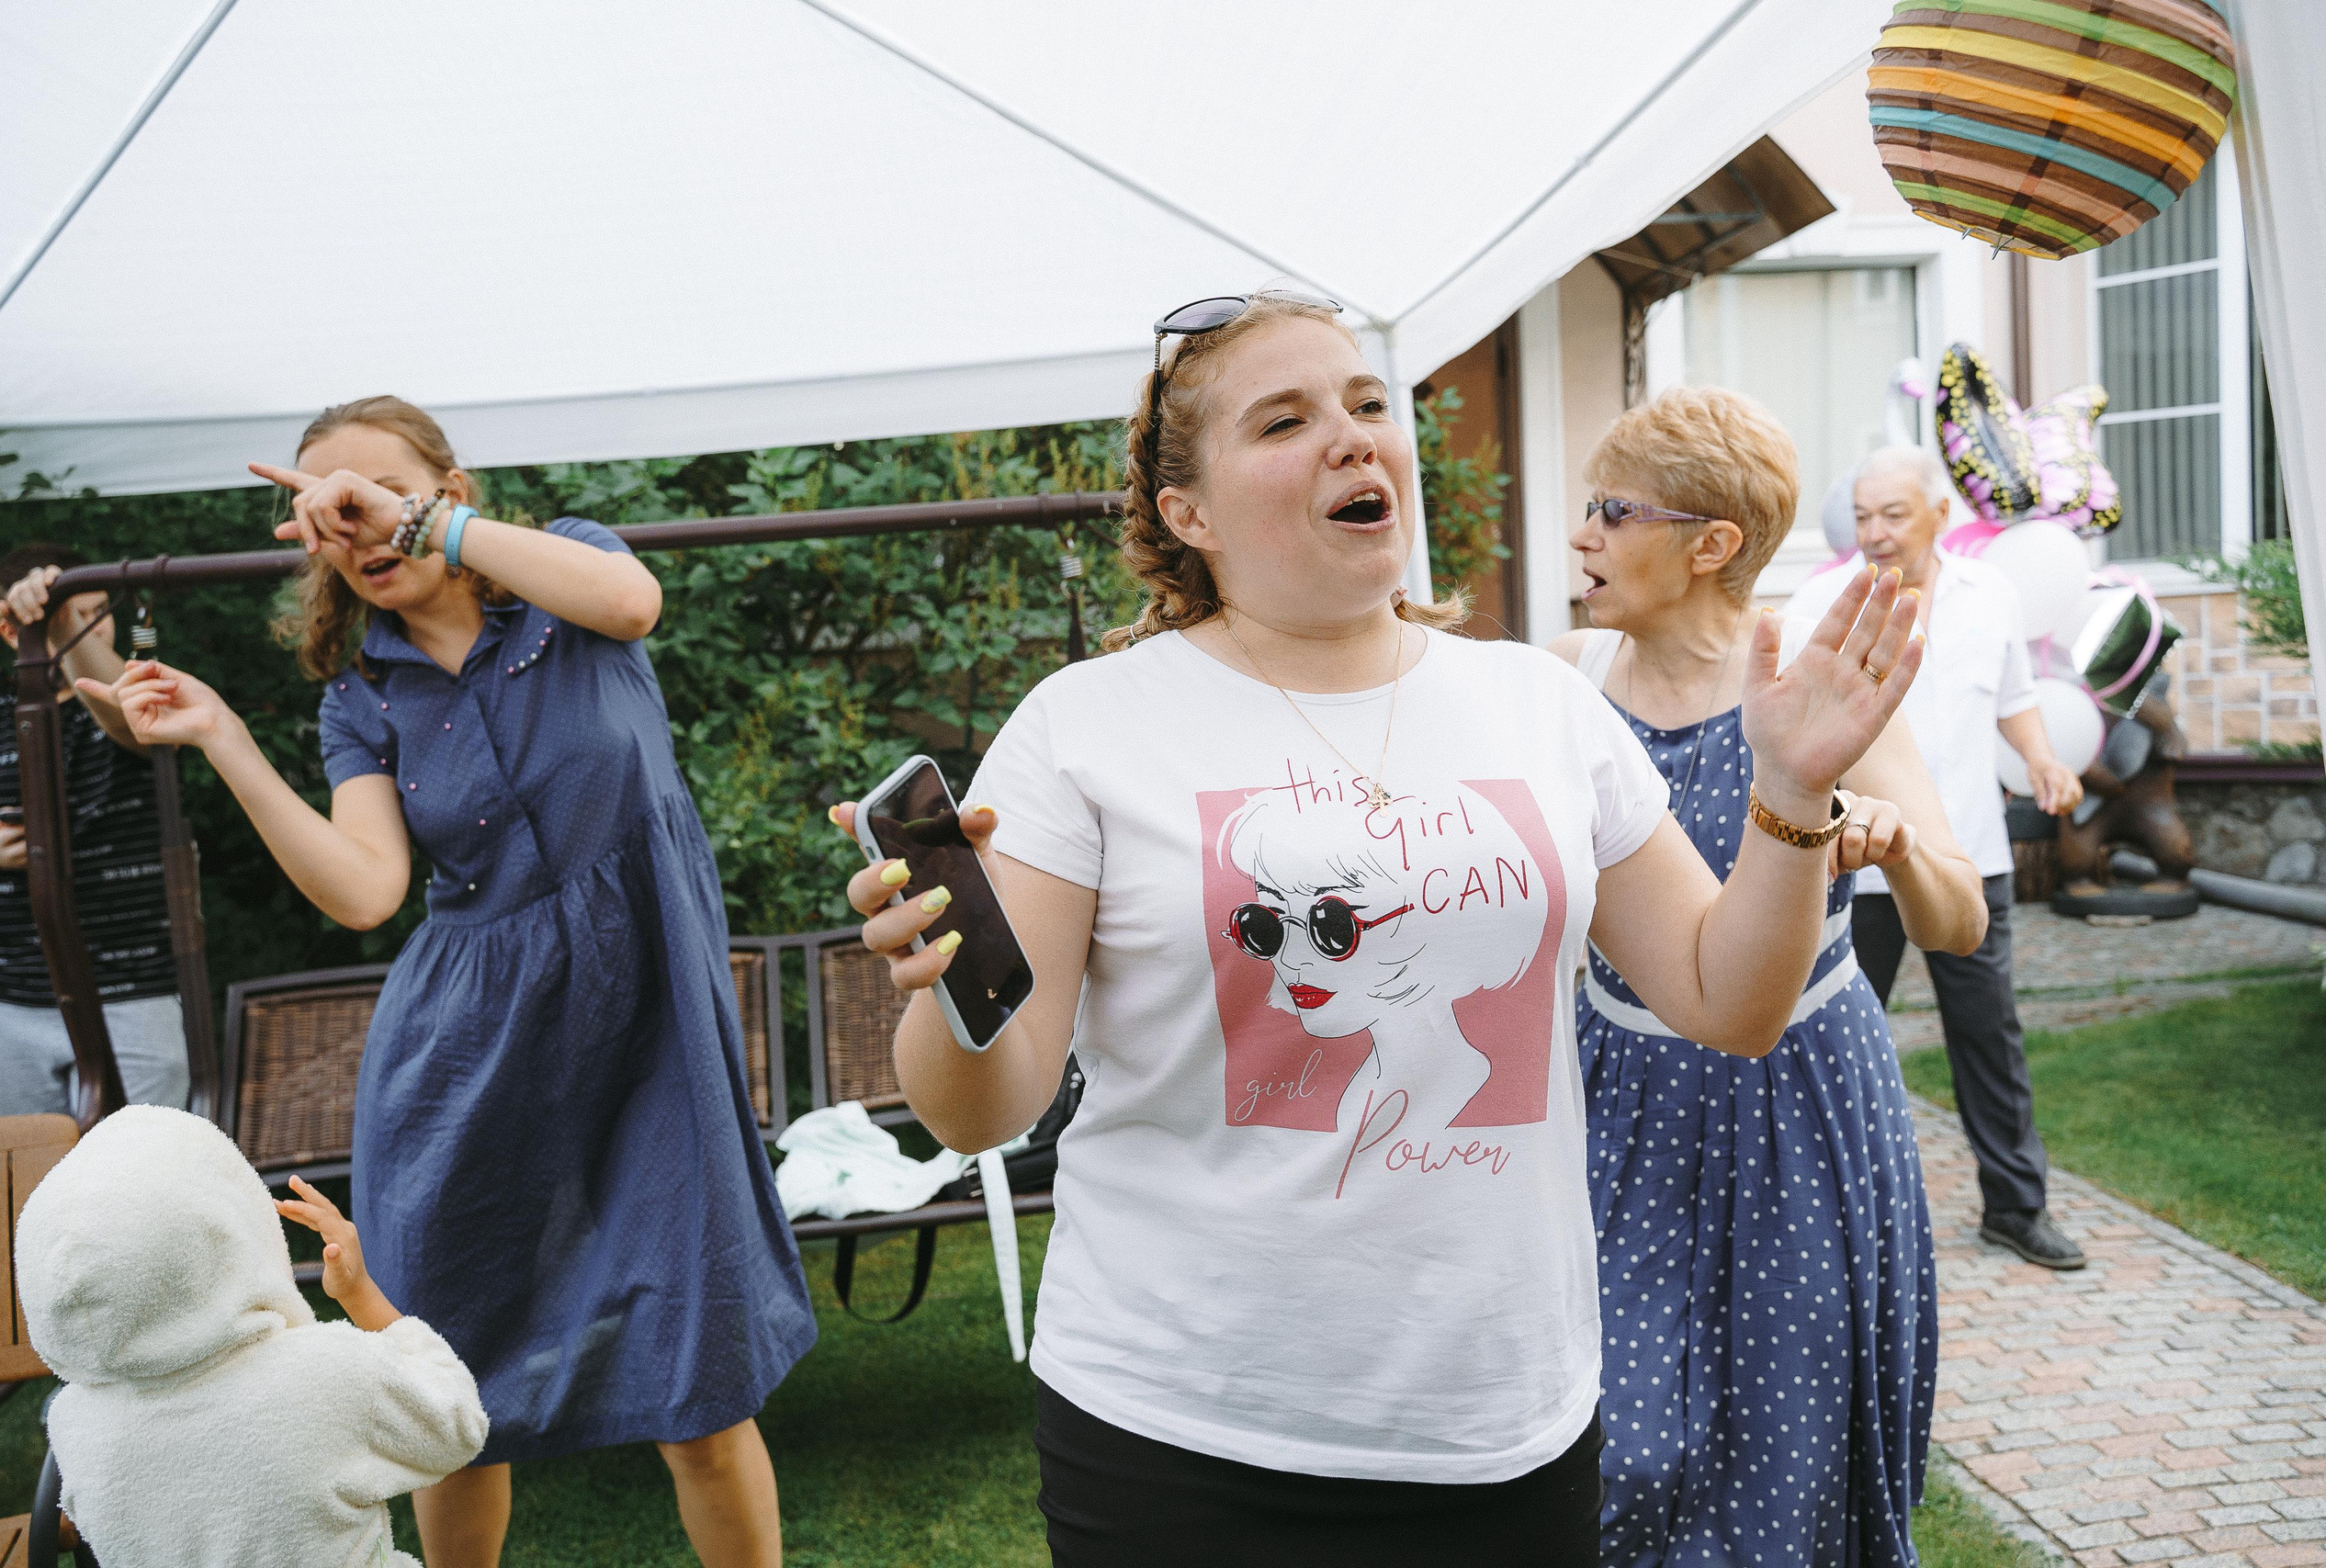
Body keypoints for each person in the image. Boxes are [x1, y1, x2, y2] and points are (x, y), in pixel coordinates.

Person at [827, 289, 1923, 1565]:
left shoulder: (1540, 705)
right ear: (1190, 513)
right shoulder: (1088, 726)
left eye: (1366, 405)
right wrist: (940, 986)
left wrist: (1787, 795)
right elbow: (984, 1107)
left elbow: (1726, 1000)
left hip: (1508, 1422)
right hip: (1182, 1430)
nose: (1353, 437)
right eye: (1285, 420)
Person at [77, 397, 817, 1568]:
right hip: (468, 1058)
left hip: (648, 1038)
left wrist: (431, 527)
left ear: (445, 488)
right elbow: (367, 890)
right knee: (451, 1404)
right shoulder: (360, 699)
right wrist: (222, 736)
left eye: (372, 495)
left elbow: (636, 604)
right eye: (326, 514)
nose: (354, 526)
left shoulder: (576, 579)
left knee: (704, 1394)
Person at [1549, 389, 1990, 1567]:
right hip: (1618, 1100)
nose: (1578, 535)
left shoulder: (1814, 683)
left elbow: (1961, 919)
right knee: (1618, 1443)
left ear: (1710, 546)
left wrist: (1894, 843)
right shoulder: (1563, 681)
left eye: (1608, 510)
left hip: (1801, 1102)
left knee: (1788, 1434)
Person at [1781, 446, 2087, 1271]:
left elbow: (2015, 702)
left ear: (1938, 516)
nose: (1875, 532)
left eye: (1894, 514)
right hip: (1856, 861)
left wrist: (2044, 760)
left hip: (1970, 862)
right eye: (1864, 516)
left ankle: (2016, 1208)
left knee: (1991, 1039)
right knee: (1833, 1042)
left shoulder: (1992, 596)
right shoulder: (1819, 600)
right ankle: (1822, 1218)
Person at [16, 1104, 489, 1568]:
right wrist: (361, 1294)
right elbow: (458, 1420)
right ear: (231, 1224)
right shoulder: (324, 1375)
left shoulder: (75, 1428)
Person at [0, 546, 188, 1117]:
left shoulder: (138, 695)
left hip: (131, 988)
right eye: (73, 615)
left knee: (138, 1190)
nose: (94, 626)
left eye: (99, 611)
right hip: (3, 998)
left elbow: (131, 722)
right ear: (6, 629)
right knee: (17, 1192)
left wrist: (64, 618)